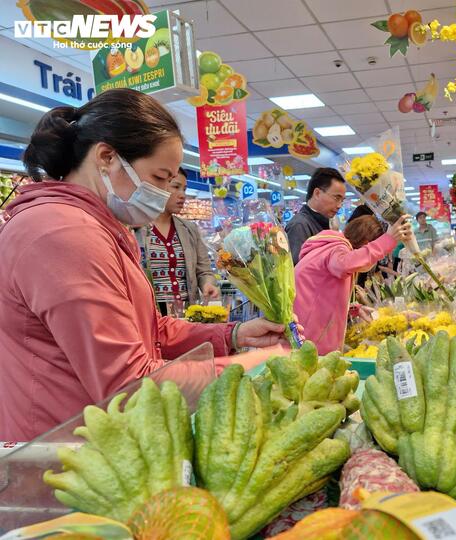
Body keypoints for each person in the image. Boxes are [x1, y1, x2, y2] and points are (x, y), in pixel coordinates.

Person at [0, 89, 289, 441]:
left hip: (99, 441)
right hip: (65, 452)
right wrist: (245, 366)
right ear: (106, 156)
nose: (166, 195)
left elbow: (147, 330)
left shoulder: (96, 226)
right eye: (159, 178)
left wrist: (232, 335)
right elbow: (129, 381)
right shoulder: (62, 234)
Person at [294, 214, 411, 354]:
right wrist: (386, 241)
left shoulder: (329, 248)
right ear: (366, 241)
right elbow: (343, 265)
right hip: (307, 337)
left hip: (306, 331)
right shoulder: (337, 249)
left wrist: (351, 309)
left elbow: (321, 293)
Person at [135, 167, 220, 314]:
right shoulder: (136, 228)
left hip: (187, 313)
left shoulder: (189, 229)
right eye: (175, 187)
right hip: (150, 313)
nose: (182, 195)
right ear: (157, 187)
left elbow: (204, 271)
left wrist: (208, 284)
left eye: (184, 189)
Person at [286, 167, 346, 264]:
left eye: (342, 200)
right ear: (317, 193)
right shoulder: (300, 225)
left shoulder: (323, 223)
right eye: (336, 198)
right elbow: (298, 271)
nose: (339, 206)